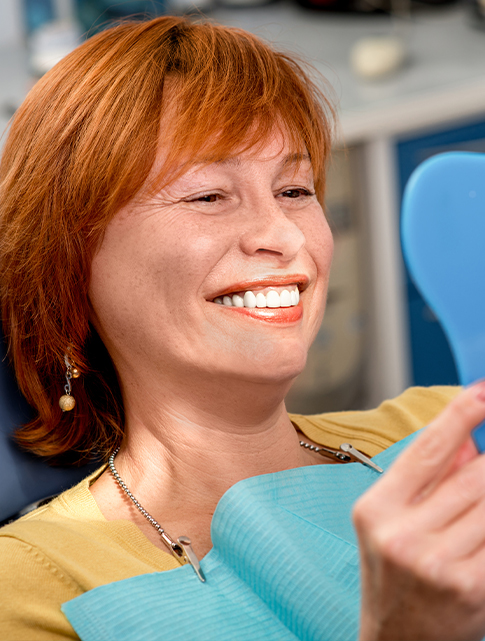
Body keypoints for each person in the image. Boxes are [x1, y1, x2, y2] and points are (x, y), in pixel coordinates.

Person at [0, 14, 483, 641]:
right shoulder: (37, 585)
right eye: (208, 196)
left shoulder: (444, 432)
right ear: (71, 266)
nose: (284, 237)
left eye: (294, 190)